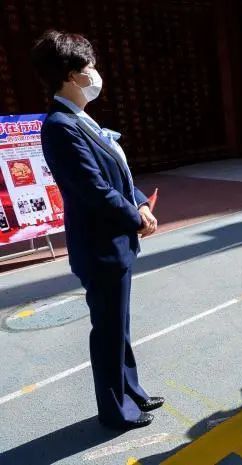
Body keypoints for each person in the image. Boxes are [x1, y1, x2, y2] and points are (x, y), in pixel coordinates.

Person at [31, 31, 163, 430]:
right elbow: (93, 189)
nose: (95, 74)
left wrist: (139, 200)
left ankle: (131, 391)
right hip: (99, 244)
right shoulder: (59, 125)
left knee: (118, 324)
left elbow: (116, 173)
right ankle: (114, 409)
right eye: (89, 67)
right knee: (107, 328)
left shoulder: (80, 119)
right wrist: (136, 217)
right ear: (70, 75)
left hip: (113, 240)